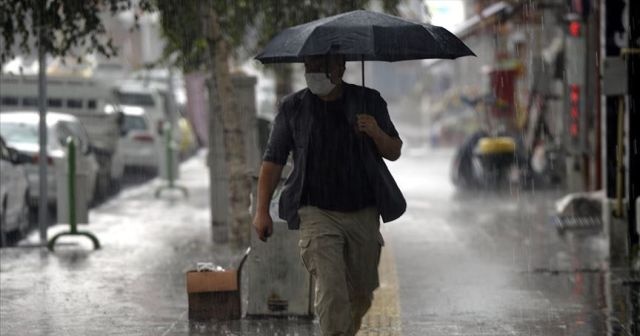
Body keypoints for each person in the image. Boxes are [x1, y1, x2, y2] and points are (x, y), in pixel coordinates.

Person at [252, 54, 405, 336]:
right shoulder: (293, 107)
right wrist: (261, 211)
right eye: (309, 67)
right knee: (332, 290)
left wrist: (374, 131)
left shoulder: (369, 101)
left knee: (361, 292)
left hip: (363, 211)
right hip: (316, 212)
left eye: (321, 66)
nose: (314, 73)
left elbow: (394, 151)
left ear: (340, 67)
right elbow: (273, 159)